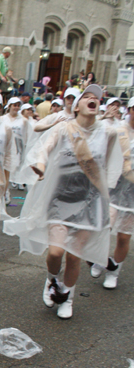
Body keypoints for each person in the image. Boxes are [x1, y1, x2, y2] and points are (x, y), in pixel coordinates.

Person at [4, 84, 127, 319]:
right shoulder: (64, 128)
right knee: (55, 253)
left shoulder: (109, 133)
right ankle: (52, 279)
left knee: (74, 255)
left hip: (90, 202)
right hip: (61, 199)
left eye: (97, 98)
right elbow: (45, 148)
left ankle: (67, 296)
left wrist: (107, 194)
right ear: (78, 105)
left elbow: (111, 164)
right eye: (87, 97)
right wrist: (40, 165)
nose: (93, 99)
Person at [89, 97, 134, 288]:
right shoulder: (118, 128)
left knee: (124, 236)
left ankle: (114, 271)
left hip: (132, 196)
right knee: (104, 228)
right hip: (114, 190)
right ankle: (101, 259)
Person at [4, 96, 34, 190]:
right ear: (9, 106)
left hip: (19, 145)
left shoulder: (23, 120)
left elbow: (28, 133)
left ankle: (20, 181)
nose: (16, 107)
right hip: (7, 145)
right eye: (14, 105)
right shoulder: (3, 119)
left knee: (19, 162)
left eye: (18, 105)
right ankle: (10, 180)